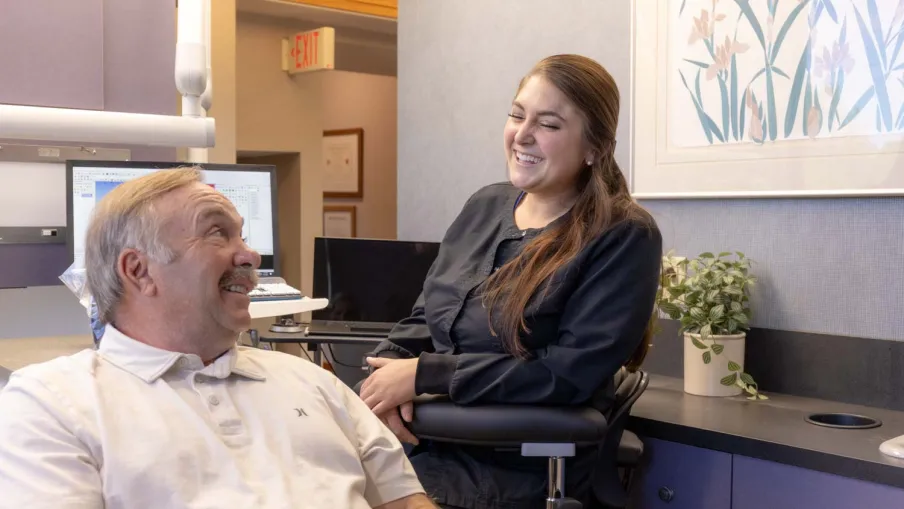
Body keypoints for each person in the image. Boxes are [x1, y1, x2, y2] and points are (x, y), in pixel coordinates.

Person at [0, 167, 436, 509]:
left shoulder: (315, 383)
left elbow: (405, 501)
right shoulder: (51, 405)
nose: (250, 255)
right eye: (216, 233)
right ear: (139, 271)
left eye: (241, 234)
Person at [358, 54, 663, 508]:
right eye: (517, 115)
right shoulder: (484, 206)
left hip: (512, 479)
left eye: (549, 124)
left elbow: (566, 374)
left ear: (594, 147)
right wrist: (384, 375)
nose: (522, 134)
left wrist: (427, 375)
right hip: (419, 457)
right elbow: (426, 319)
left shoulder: (623, 235)